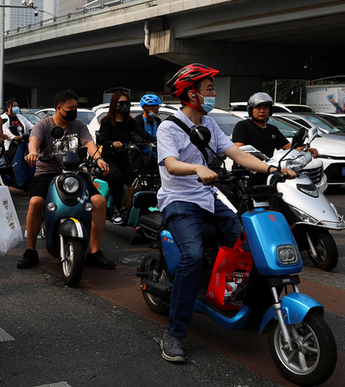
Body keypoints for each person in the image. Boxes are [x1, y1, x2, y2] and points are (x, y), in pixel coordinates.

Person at [156, 63, 295, 364]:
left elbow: (238, 154)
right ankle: (175, 333)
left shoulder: (210, 125)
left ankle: (249, 303)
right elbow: (170, 164)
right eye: (209, 89)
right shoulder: (168, 127)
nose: (213, 94)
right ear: (191, 94)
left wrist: (275, 169)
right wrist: (196, 167)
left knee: (249, 246)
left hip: (209, 197)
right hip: (179, 199)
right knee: (192, 256)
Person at [18, 90, 116, 270]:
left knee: (99, 202)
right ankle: (30, 250)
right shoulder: (44, 124)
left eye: (76, 108)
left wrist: (99, 159)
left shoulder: (78, 125)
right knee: (35, 203)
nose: (74, 111)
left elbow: (89, 144)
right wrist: (33, 152)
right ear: (59, 108)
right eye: (71, 108)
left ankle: (94, 252)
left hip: (75, 172)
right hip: (48, 172)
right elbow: (34, 140)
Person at [96, 92, 155, 224]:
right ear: (114, 105)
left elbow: (142, 132)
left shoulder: (130, 121)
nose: (125, 106)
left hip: (124, 159)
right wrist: (112, 143)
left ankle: (141, 209)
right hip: (109, 159)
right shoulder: (107, 121)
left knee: (138, 180)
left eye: (127, 103)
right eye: (121, 103)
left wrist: (155, 140)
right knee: (116, 177)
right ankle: (117, 209)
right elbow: (102, 139)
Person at [233, 92, 319, 160]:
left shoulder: (272, 130)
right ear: (251, 110)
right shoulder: (242, 126)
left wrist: (306, 150)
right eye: (258, 108)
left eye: (266, 108)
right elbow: (239, 150)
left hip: (266, 169)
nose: (262, 111)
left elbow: (289, 148)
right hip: (245, 173)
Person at [133, 94, 162, 168]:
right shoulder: (138, 121)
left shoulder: (158, 121)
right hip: (142, 155)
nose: (156, 109)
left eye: (157, 106)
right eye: (153, 106)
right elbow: (134, 136)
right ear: (145, 107)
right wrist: (146, 140)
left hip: (157, 154)